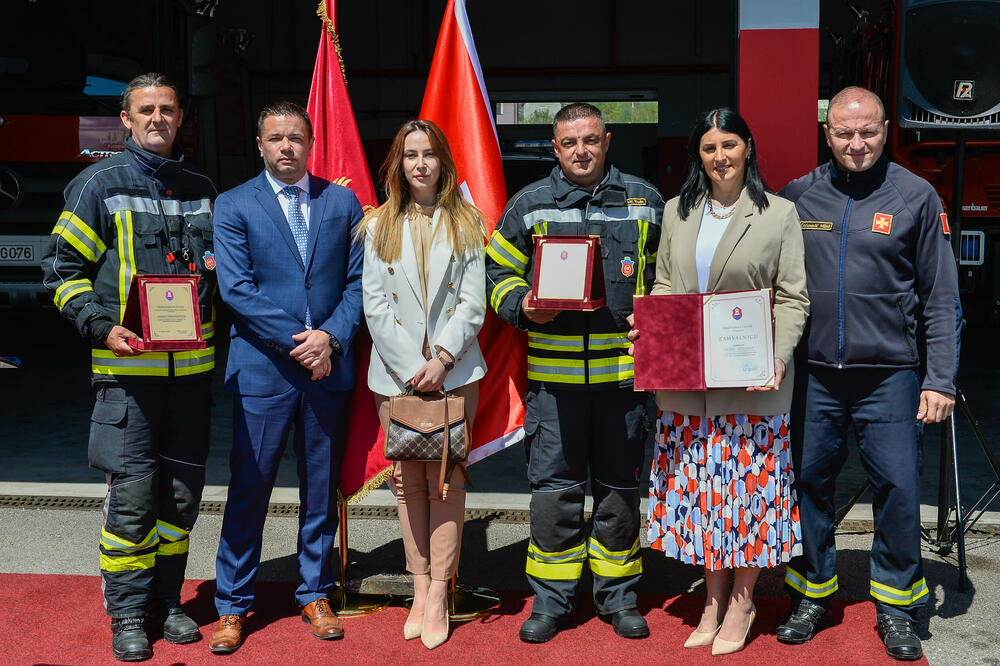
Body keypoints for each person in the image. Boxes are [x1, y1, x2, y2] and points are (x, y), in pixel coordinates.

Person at [776, 86, 959, 661]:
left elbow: (940, 297)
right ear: (826, 133)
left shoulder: (917, 197)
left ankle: (898, 605)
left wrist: (940, 378)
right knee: (806, 484)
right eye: (844, 133)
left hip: (891, 375)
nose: (857, 144)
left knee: (899, 490)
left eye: (869, 132)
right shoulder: (797, 198)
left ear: (885, 130)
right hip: (814, 375)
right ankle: (812, 593)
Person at [40, 73, 217, 662]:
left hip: (191, 378)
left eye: (168, 109)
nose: (158, 119)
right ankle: (127, 612)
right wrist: (101, 326)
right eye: (147, 110)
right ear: (125, 118)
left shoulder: (201, 188)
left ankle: (169, 603)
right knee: (134, 499)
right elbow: (60, 271)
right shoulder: (97, 185)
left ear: (180, 118)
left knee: (181, 500)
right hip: (128, 377)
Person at [485, 103, 664, 643]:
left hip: (624, 380)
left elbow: (670, 276)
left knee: (618, 492)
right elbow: (496, 273)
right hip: (553, 384)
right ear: (555, 147)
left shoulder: (647, 201)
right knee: (554, 494)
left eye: (590, 140)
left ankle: (619, 597)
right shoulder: (529, 206)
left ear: (607, 141)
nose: (581, 151)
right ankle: (551, 601)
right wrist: (523, 306)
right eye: (569, 143)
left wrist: (657, 314)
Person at [632, 108, 809, 655]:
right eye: (710, 148)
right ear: (698, 156)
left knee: (748, 496)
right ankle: (711, 600)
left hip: (753, 380)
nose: (720, 157)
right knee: (705, 493)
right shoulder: (676, 211)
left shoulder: (778, 213)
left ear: (748, 148)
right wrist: (652, 323)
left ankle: (743, 600)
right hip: (688, 381)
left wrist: (777, 358)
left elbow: (794, 296)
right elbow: (664, 283)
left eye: (730, 144)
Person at [208, 101, 365, 654]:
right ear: (259, 144)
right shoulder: (232, 205)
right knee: (250, 490)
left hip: (328, 368)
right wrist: (306, 344)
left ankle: (316, 592)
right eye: (275, 138)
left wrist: (331, 338)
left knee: (320, 492)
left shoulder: (341, 201)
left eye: (296, 138)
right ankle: (231, 604)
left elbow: (357, 285)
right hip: (264, 369)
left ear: (311, 142)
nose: (286, 148)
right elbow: (237, 291)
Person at [359, 119, 487, 650]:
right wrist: (414, 363)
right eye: (410, 154)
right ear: (397, 162)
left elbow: (473, 301)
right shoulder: (378, 224)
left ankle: (439, 594)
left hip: (455, 374)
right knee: (407, 486)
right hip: (394, 377)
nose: (419, 164)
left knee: (447, 485)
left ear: (444, 162)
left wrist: (442, 358)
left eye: (428, 154)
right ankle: (416, 589)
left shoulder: (469, 221)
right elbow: (374, 304)